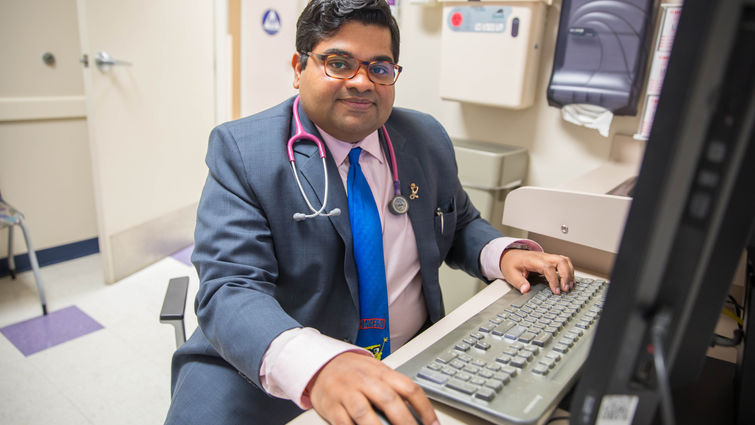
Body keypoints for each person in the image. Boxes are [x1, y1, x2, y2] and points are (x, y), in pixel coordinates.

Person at [164, 1, 575, 424]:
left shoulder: (424, 137)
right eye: (339, 63)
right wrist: (320, 365)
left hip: (411, 359)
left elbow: (459, 223)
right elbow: (230, 287)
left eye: (380, 68)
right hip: (273, 367)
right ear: (298, 67)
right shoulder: (244, 152)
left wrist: (503, 253)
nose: (362, 82)